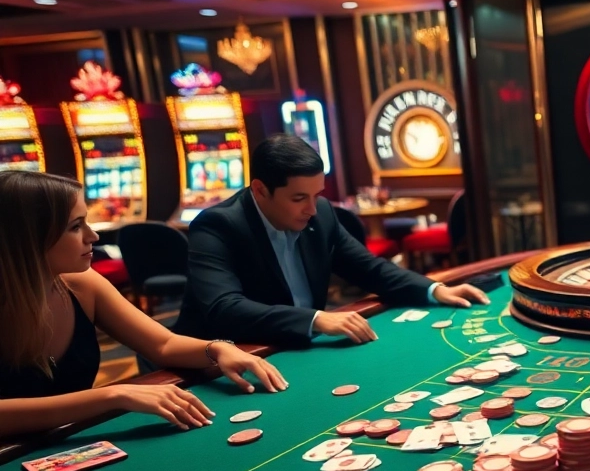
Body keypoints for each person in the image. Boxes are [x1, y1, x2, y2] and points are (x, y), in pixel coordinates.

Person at [0, 172, 286, 439]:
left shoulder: (82, 283)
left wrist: (218, 348)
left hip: (67, 444)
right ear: (28, 240)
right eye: (76, 226)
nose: (93, 236)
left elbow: (163, 345)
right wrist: (113, 395)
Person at [175, 134, 487, 346]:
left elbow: (369, 268)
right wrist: (316, 320)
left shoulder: (321, 213)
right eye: (299, 198)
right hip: (221, 365)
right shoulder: (218, 225)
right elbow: (224, 308)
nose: (311, 209)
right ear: (260, 190)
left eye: (317, 195)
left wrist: (434, 289)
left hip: (297, 349)